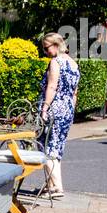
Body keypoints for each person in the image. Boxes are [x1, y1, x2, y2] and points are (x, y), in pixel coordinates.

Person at [37, 32, 80, 197]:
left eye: (46, 48)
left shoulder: (55, 62)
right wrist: (71, 111)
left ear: (55, 45)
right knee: (56, 148)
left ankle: (56, 187)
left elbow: (52, 87)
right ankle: (55, 186)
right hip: (67, 108)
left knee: (45, 147)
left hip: (55, 108)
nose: (45, 52)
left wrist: (44, 109)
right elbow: (75, 93)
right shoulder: (73, 63)